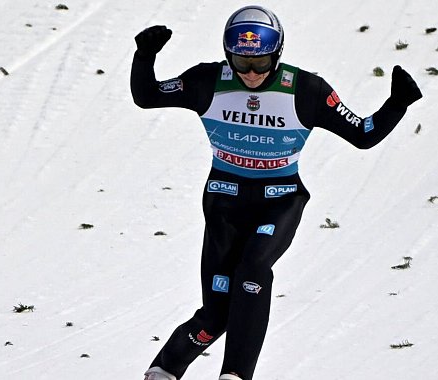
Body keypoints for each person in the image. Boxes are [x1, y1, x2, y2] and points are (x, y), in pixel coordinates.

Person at [131, 6, 422, 380]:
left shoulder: (306, 90)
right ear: (228, 55)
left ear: (278, 54)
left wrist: (398, 102)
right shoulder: (208, 81)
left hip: (280, 201)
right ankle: (163, 371)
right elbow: (147, 96)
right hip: (224, 200)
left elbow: (363, 134)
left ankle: (235, 375)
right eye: (241, 62)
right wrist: (144, 57)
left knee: (253, 270)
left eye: (261, 62)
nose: (251, 73)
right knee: (217, 312)